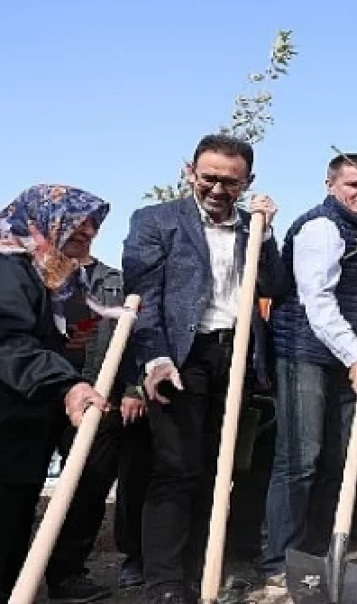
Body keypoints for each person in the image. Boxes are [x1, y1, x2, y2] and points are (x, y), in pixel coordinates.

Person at [123, 134, 290, 603]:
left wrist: (267, 232)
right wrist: (154, 361)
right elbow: (144, 299)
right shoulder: (156, 221)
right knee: (176, 467)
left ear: (248, 182)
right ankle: (165, 583)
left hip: (235, 356)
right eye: (209, 178)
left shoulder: (250, 228)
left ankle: (204, 570)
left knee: (220, 468)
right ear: (190, 172)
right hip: (182, 356)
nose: (218, 189)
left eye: (231, 182)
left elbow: (274, 285)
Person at [0, 184, 111, 603]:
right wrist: (65, 383)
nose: (88, 230)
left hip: (10, 450)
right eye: (77, 219)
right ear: (40, 220)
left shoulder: (41, 276)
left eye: (93, 223)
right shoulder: (0, 265)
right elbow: (3, 340)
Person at [261, 154, 357, 581]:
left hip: (344, 357)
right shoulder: (321, 228)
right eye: (354, 185)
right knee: (300, 458)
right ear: (330, 185)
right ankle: (280, 559)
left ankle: (319, 549)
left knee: (341, 456)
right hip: (305, 353)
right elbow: (318, 302)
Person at [43, 254, 153, 601]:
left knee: (89, 485)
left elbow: (141, 337)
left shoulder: (115, 282)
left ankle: (67, 574)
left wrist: (136, 387)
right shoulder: (33, 274)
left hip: (98, 398)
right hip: (41, 395)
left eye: (86, 229)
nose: (78, 234)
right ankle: (4, 574)